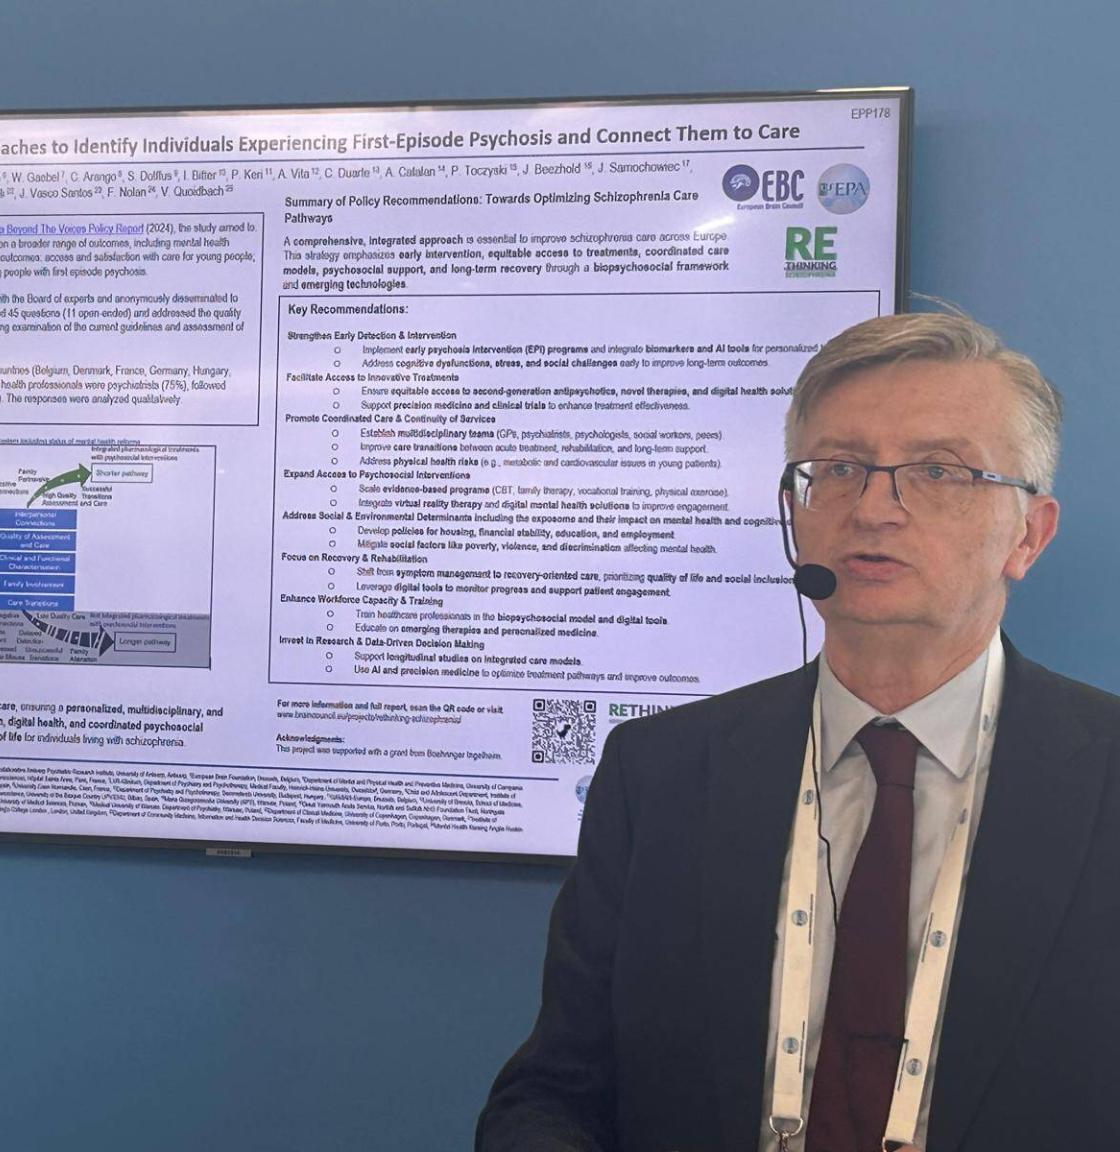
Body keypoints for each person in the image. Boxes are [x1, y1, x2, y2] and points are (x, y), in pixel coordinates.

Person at [476, 311, 1120, 1152]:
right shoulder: (661, 774)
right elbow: (553, 1094)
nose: (875, 510)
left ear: (1028, 536)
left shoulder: (1102, 778)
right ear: (795, 510)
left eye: (938, 471)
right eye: (839, 469)